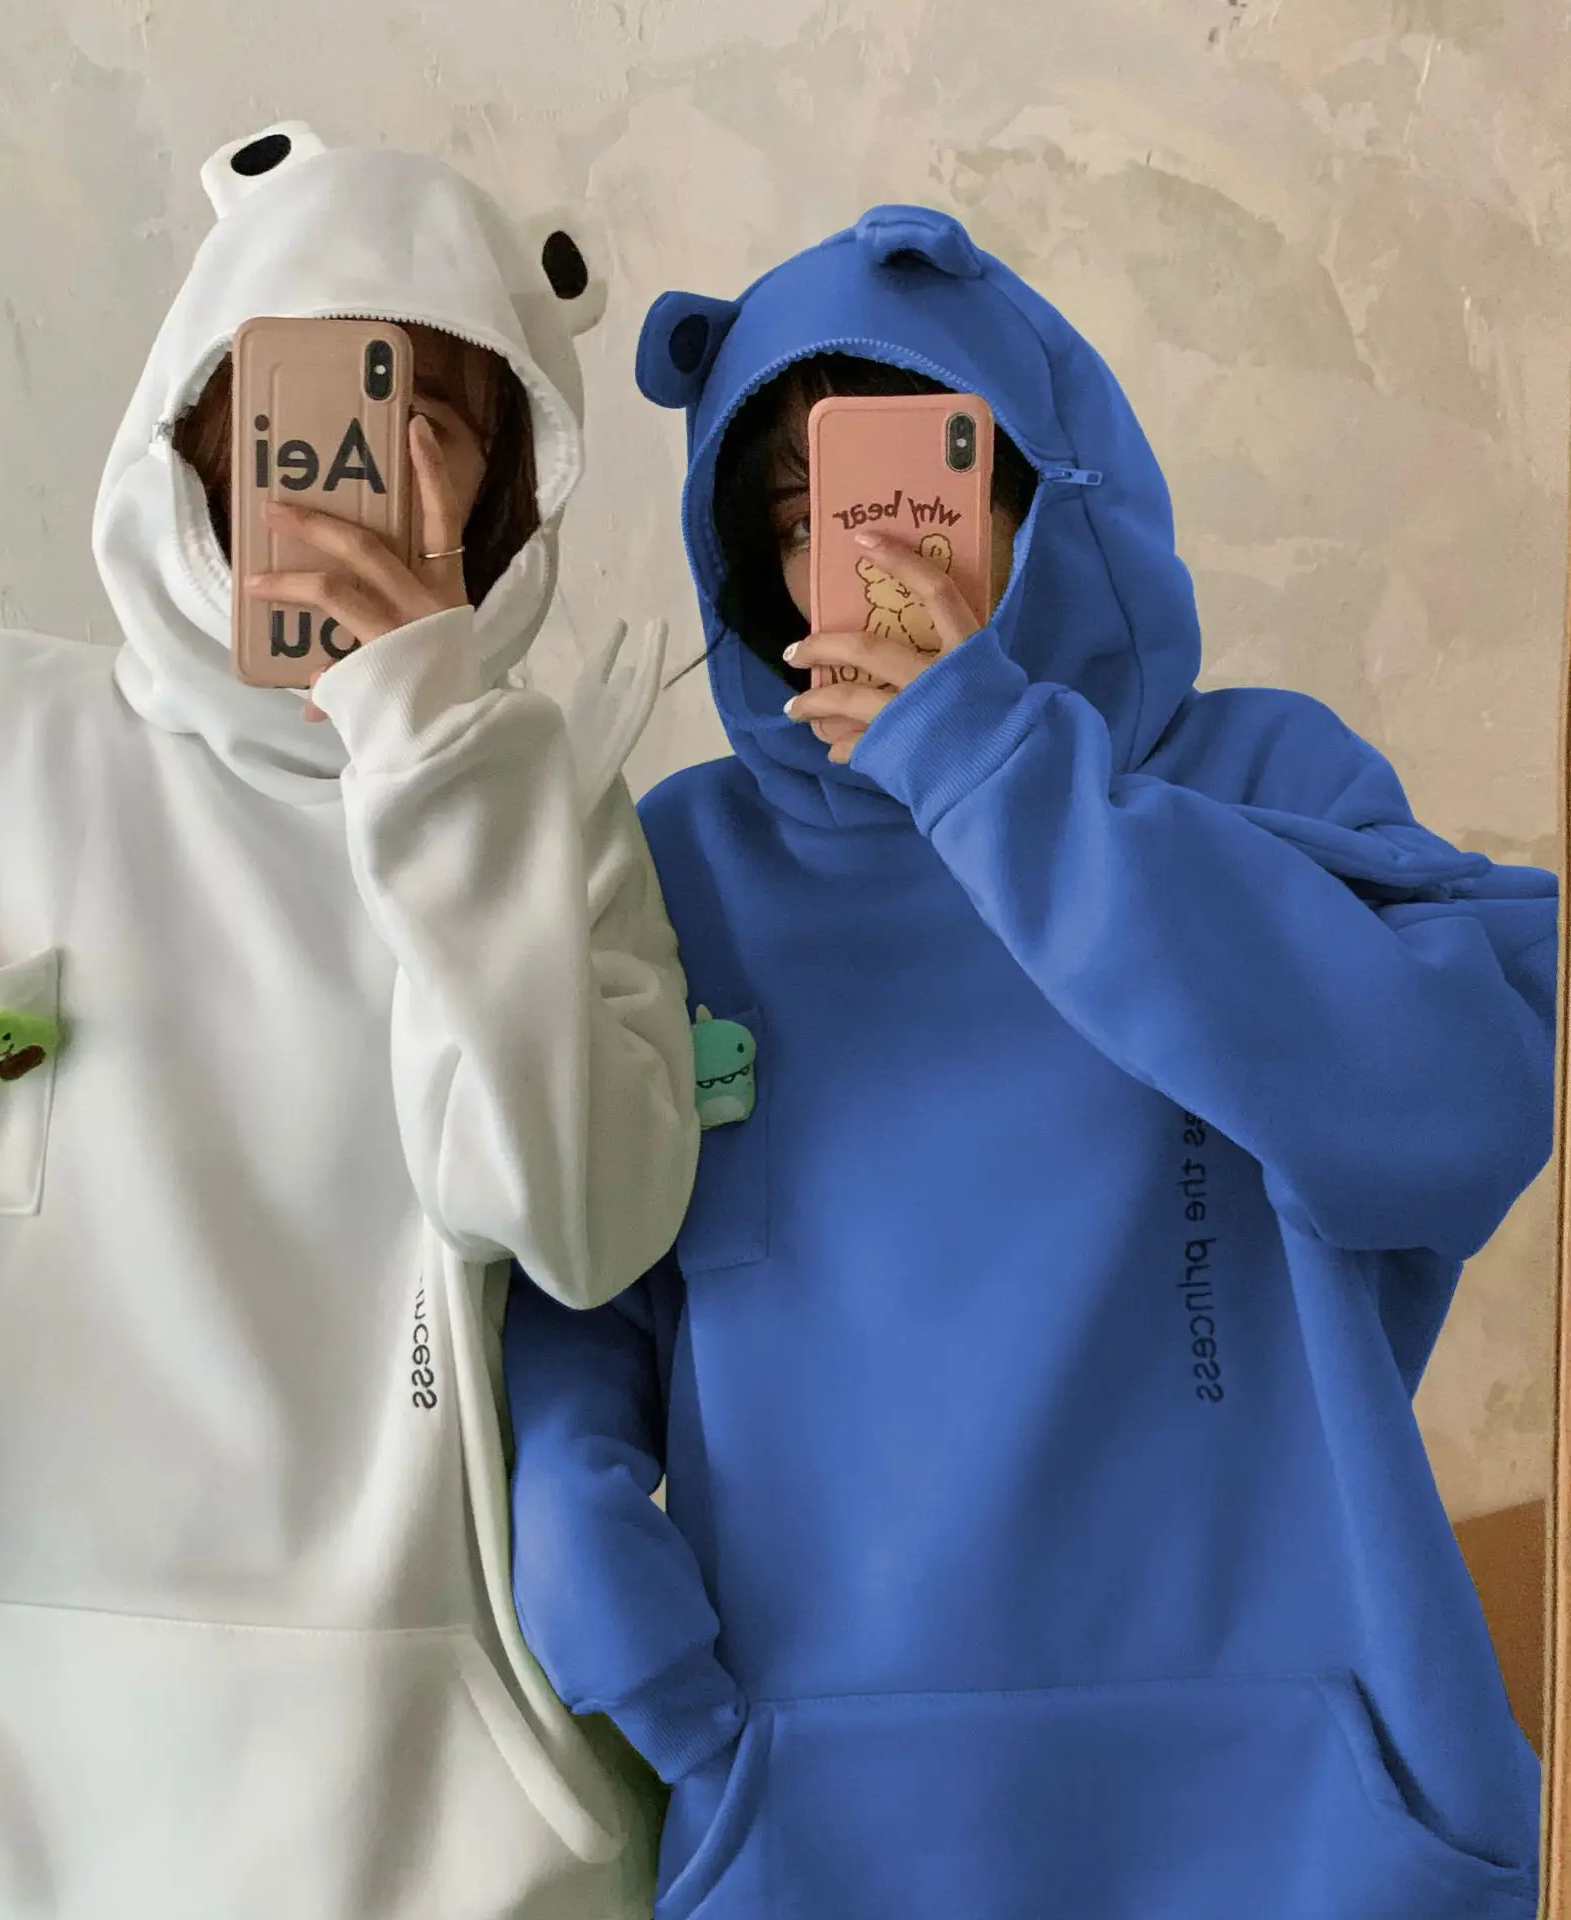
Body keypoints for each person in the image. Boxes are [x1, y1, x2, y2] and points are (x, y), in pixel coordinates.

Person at [0, 120, 696, 1920]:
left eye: (440, 422)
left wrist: (433, 757)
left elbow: (582, 1225)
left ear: (508, 491)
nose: (364, 469)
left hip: (415, 1832)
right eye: (319, 406)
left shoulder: (543, 812)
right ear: (203, 420)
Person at [504, 202, 1554, 1919]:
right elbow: (573, 1252)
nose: (859, 556)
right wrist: (583, 1535)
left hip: (1306, 1830)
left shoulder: (1261, 784)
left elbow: (1461, 1117)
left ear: (1049, 487)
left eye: (915, 484)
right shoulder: (684, 862)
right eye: (797, 515)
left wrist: (991, 766)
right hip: (821, 1829)